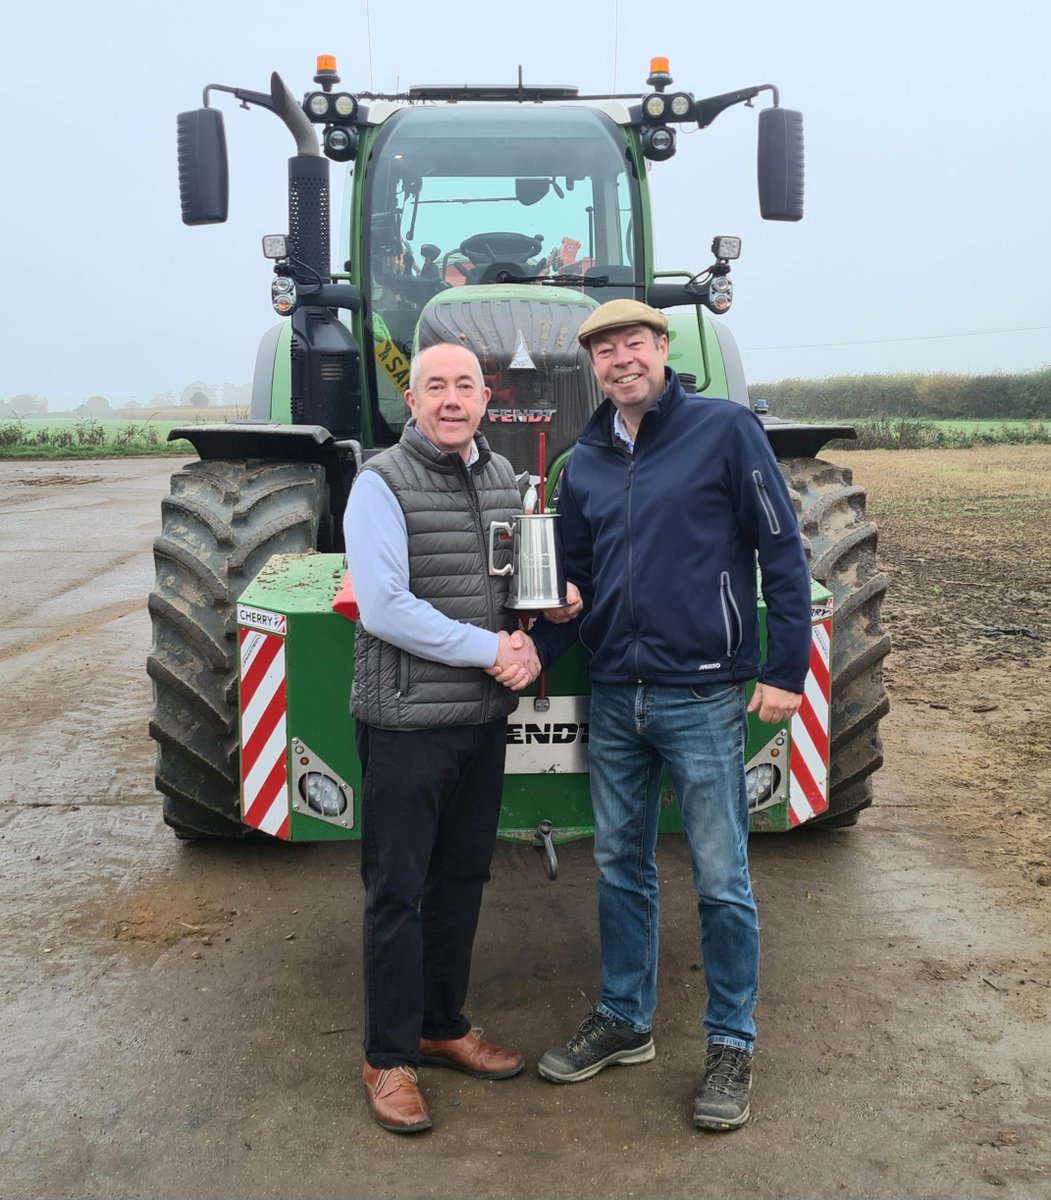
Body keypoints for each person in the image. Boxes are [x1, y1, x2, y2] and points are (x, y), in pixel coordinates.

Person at [536, 299, 812, 1132]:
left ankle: (730, 1041)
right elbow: (570, 584)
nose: (620, 359)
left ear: (663, 349)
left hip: (701, 692)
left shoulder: (725, 430)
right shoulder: (581, 462)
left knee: (722, 876)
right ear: (591, 367)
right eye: (604, 350)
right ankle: (624, 1018)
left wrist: (785, 667)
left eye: (634, 343)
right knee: (620, 864)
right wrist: (532, 662)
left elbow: (780, 549)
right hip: (617, 692)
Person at [344, 342, 571, 1134]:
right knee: (396, 893)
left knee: (459, 881)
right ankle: (387, 1056)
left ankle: (440, 1024)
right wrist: (493, 651)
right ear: (412, 400)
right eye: (433, 386)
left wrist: (550, 607)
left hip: (479, 722)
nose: (449, 400)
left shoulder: (502, 479)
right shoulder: (379, 482)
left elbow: (512, 586)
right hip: (406, 722)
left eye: (463, 387)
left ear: (486, 399)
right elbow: (384, 607)